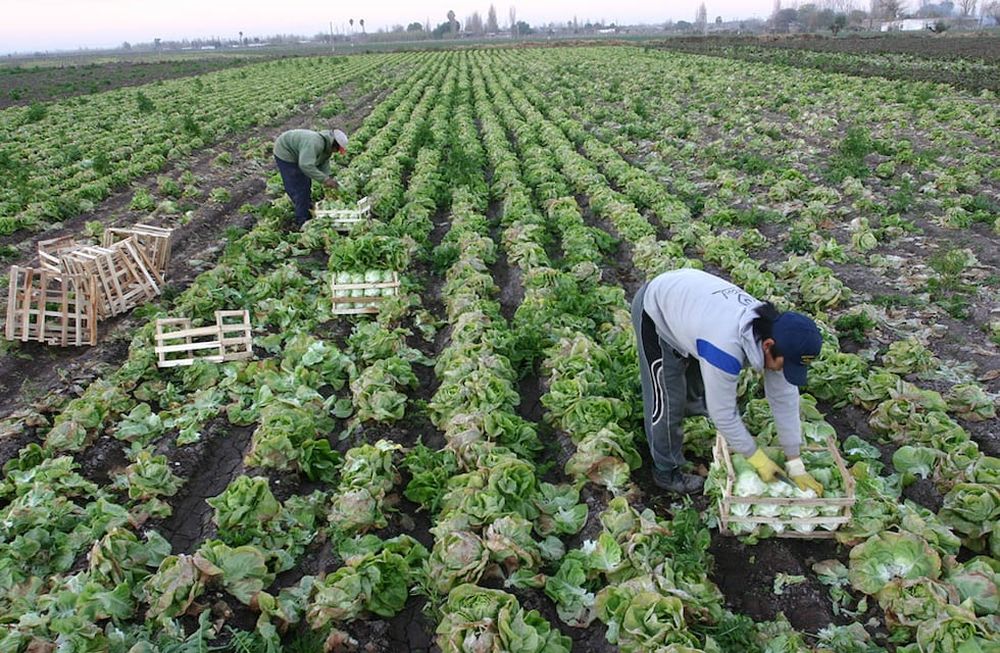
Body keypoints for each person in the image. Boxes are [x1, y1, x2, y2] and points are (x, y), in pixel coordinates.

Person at [631, 268, 825, 495]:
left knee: (693, 390)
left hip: (693, 309)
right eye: (784, 365)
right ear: (768, 346)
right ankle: (666, 471)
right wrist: (757, 459)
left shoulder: (776, 335)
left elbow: (785, 398)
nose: (782, 371)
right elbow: (722, 412)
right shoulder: (725, 346)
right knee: (667, 398)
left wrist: (795, 463)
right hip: (657, 310)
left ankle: (686, 433)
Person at [273, 128, 349, 228]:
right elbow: (305, 165)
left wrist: (329, 177)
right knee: (300, 188)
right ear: (334, 144)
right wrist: (325, 180)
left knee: (305, 184)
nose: (336, 152)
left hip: (299, 153)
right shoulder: (315, 143)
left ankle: (306, 207)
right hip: (285, 151)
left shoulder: (327, 147)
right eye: (337, 150)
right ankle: (302, 222)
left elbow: (323, 163)